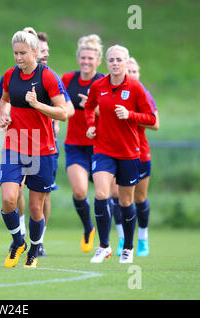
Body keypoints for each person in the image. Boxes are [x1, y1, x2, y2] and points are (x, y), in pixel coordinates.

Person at [0, 29, 73, 258]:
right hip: (14, 146)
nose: (18, 57)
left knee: (36, 208)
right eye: (15, 53)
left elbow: (63, 113)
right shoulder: (10, 75)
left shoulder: (47, 76)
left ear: (35, 52)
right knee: (8, 199)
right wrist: (0, 116)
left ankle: (35, 248)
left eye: (23, 53)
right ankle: (18, 240)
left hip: (42, 150)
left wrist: (38, 105)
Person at [84, 45, 156, 264]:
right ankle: (104, 246)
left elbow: (151, 118)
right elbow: (89, 107)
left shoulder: (135, 87)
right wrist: (90, 125)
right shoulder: (99, 86)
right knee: (101, 194)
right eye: (112, 59)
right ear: (107, 62)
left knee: (126, 202)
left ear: (126, 62)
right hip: (103, 149)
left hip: (129, 152)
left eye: (119, 60)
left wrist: (130, 114)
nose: (115, 63)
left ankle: (128, 247)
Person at [111, 57, 160, 256]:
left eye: (135, 71)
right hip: (116, 151)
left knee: (139, 198)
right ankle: (123, 238)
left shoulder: (142, 93)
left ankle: (143, 239)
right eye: (128, 71)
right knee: (116, 196)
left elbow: (155, 124)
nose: (132, 74)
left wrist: (131, 115)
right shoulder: (112, 91)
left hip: (139, 152)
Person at [61, 34, 105, 253]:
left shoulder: (104, 82)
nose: (86, 62)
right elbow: (56, 102)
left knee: (105, 194)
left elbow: (113, 116)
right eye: (83, 58)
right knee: (79, 191)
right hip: (75, 145)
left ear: (98, 60)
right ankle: (88, 228)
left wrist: (93, 107)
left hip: (101, 147)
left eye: (91, 58)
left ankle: (110, 238)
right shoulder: (68, 79)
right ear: (78, 58)